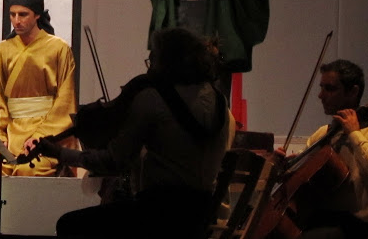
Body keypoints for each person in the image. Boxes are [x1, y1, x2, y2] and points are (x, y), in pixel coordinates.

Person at [28, 27, 234, 237]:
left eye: (153, 60)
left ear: (167, 62)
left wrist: (60, 153)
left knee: (69, 224)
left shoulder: (153, 100)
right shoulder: (219, 101)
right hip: (198, 216)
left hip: (157, 213)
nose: (149, 70)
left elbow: (114, 161)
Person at [277, 60, 368, 239]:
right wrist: (286, 167)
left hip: (353, 226)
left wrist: (354, 134)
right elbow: (301, 180)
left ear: (353, 92)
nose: (321, 95)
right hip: (317, 220)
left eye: (330, 89)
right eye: (321, 87)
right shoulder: (323, 134)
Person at [0, 0, 77, 176]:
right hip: (10, 132)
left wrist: (40, 138)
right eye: (12, 15)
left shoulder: (59, 49)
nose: (16, 21)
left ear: (37, 15)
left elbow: (65, 102)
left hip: (46, 135)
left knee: (28, 169)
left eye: (23, 14)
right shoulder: (2, 50)